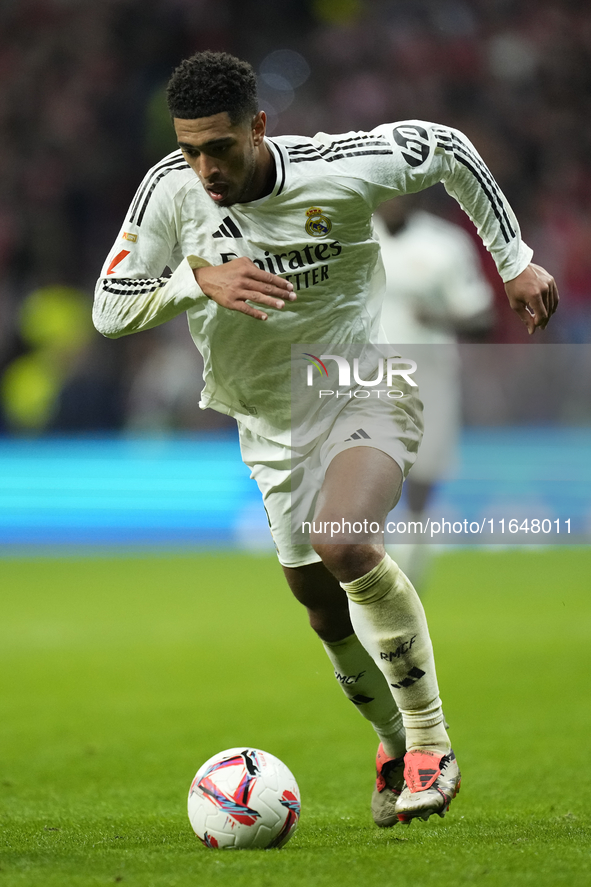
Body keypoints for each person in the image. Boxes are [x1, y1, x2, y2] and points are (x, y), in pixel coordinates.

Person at [93, 51, 558, 827]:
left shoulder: (339, 167)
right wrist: (193, 280)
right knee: (320, 606)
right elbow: (110, 306)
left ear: (258, 127)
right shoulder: (168, 192)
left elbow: (447, 146)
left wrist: (513, 260)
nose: (205, 166)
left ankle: (429, 743)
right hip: (267, 424)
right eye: (190, 148)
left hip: (364, 383)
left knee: (344, 542)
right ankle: (388, 739)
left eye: (221, 146)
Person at [376, 198, 495, 592]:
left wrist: (439, 317)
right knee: (373, 473)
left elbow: (483, 316)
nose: (392, 199)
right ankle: (376, 565)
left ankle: (413, 556)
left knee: (424, 475)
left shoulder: (445, 244)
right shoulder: (352, 236)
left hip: (430, 376)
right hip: (365, 375)